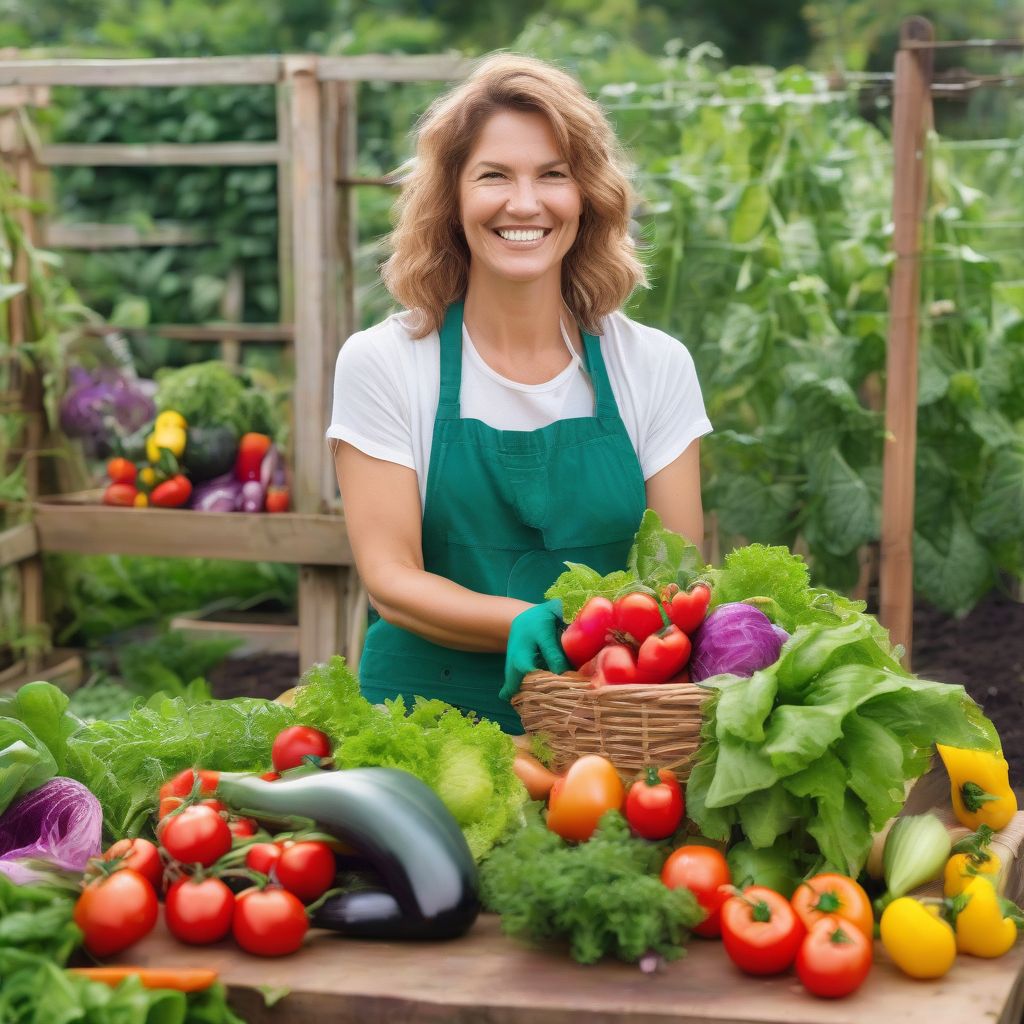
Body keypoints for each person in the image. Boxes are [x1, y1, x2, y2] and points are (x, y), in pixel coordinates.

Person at [327, 53, 711, 733]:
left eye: (553, 176)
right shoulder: (385, 363)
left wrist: (589, 650)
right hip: (424, 723)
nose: (525, 203)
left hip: (604, 723)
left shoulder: (653, 366)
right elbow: (391, 579)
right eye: (494, 176)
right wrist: (522, 621)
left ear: (586, 196)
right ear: (452, 198)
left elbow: (672, 580)